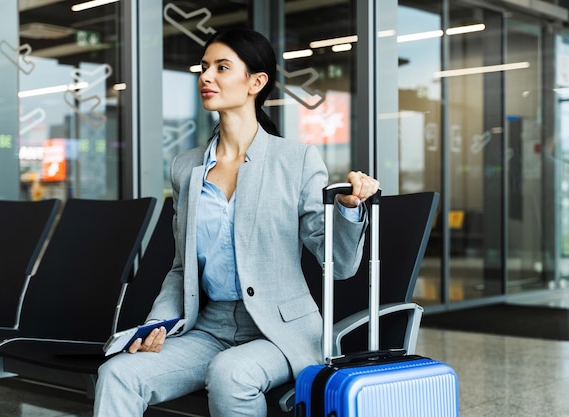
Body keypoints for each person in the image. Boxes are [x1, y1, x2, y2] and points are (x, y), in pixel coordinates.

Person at [94, 28, 380, 417]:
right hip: (208, 329)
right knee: (118, 374)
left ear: (256, 82)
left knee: (231, 373)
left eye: (222, 68)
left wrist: (347, 209)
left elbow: (341, 264)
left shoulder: (296, 160)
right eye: (204, 67)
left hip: (281, 332)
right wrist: (157, 325)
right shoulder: (187, 168)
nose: (206, 77)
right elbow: (181, 268)